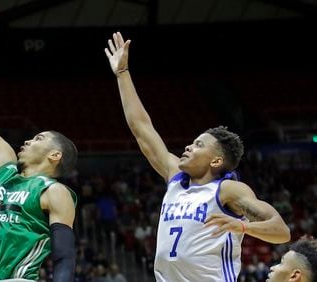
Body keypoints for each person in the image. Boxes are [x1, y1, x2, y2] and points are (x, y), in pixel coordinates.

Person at [104, 32, 291, 281]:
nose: (189, 147)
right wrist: (123, 73)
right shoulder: (175, 177)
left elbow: (281, 231)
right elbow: (142, 128)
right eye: (192, 142)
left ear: (216, 161)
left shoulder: (229, 190)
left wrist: (243, 226)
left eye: (199, 145)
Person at [0, 39, 78, 282]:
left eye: (39, 138)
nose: (28, 141)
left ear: (55, 155)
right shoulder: (3, 171)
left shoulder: (54, 192)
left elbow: (64, 255)